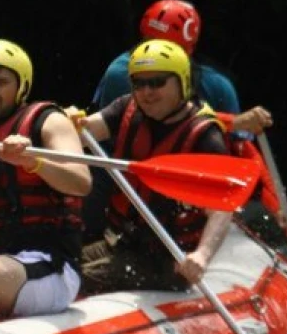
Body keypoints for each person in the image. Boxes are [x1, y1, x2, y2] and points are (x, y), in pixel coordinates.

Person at [84, 0, 287, 239]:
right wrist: (234, 121)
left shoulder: (217, 87)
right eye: (150, 43)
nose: (147, 84)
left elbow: (241, 151)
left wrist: (277, 206)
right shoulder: (123, 74)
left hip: (186, 189)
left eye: (159, 80)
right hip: (121, 171)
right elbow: (149, 117)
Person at [77, 39, 234, 293]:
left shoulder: (204, 137)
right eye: (139, 83)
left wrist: (202, 255)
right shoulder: (126, 107)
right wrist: (65, 123)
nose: (146, 92)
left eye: (157, 82)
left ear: (182, 82)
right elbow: (82, 131)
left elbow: (221, 208)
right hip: (122, 241)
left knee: (74, 279)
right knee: (60, 266)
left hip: (169, 260)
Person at [0, 39, 91, 321]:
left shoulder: (49, 121)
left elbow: (81, 181)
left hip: (51, 266)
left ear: (21, 86)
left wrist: (33, 162)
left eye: (0, 82)